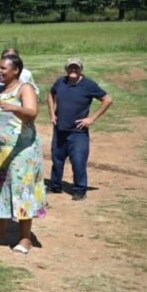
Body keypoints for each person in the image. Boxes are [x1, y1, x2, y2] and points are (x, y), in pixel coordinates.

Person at [0, 54, 47, 253]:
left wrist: (13, 107)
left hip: (23, 150)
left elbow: (32, 113)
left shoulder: (25, 88)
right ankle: (0, 232)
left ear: (16, 71)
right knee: (0, 190)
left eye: (4, 68)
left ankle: (25, 238)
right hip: (1, 150)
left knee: (22, 190)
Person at [46, 57, 112, 201]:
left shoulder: (89, 85)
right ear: (66, 69)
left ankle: (80, 189)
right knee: (57, 160)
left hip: (78, 132)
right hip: (60, 129)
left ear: (81, 69)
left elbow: (107, 99)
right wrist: (52, 113)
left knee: (78, 161)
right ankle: (55, 185)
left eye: (76, 67)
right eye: (70, 67)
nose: (73, 70)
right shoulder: (60, 82)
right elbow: (51, 94)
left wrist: (91, 119)